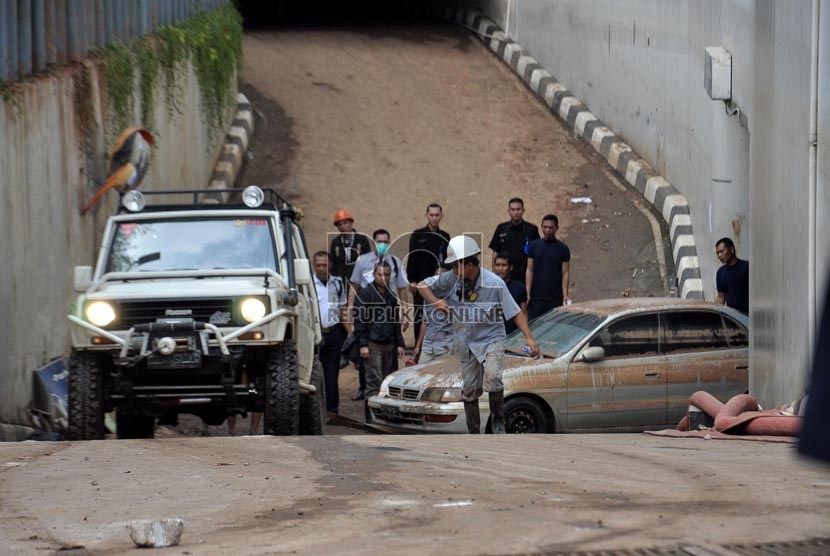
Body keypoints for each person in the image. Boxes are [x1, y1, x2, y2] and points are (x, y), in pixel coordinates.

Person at [417, 235, 540, 434]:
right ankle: (473, 432)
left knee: (492, 378)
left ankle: (498, 425)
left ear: (471, 264)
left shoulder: (495, 283)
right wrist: (436, 302)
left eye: (457, 266)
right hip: (465, 339)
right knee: (470, 389)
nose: (454, 270)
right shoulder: (451, 278)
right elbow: (422, 286)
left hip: (491, 338)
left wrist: (529, 337)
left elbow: (515, 312)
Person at [347, 229, 410, 400]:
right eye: (379, 241)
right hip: (370, 331)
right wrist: (350, 308)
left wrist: (405, 315)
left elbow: (402, 289)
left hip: (387, 337)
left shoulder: (395, 263)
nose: (383, 244)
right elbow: (354, 285)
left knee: (387, 378)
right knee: (371, 378)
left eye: (386, 241)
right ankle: (369, 407)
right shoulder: (363, 262)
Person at [353, 262, 405, 422]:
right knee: (373, 383)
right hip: (372, 345)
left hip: (389, 345)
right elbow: (360, 320)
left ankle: (385, 418)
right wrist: (363, 345)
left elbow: (395, 321)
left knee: (388, 383)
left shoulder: (391, 295)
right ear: (374, 275)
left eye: (387, 275)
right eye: (380, 274)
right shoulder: (365, 293)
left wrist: (400, 343)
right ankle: (371, 419)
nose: (383, 278)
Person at [407, 203, 451, 341]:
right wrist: (412, 280)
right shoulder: (417, 235)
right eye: (431, 215)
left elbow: (448, 260)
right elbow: (412, 258)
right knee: (420, 316)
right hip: (421, 284)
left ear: (441, 216)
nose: (434, 218)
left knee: (439, 314)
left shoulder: (445, 236)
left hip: (440, 284)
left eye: (437, 215)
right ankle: (418, 350)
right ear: (426, 215)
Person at [312, 251, 349, 414]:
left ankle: (332, 411)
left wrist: (350, 333)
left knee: (332, 374)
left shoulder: (338, 283)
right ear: (314, 266)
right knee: (312, 374)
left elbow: (343, 309)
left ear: (331, 265)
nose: (321, 268)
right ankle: (314, 409)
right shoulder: (308, 285)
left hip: (333, 334)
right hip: (314, 335)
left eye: (324, 265)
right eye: (318, 265)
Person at [525, 214, 570, 320]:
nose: (547, 230)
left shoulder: (563, 249)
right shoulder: (533, 246)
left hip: (555, 296)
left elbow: (565, 273)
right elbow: (529, 270)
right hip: (536, 297)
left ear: (556, 228)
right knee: (534, 325)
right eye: (545, 227)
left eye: (551, 227)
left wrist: (565, 295)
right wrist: (527, 293)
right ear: (541, 227)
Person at [488, 197, 540, 283]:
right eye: (513, 209)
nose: (515, 212)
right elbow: (495, 253)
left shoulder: (532, 230)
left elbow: (537, 254)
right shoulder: (501, 229)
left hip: (524, 277)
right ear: (509, 211)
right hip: (504, 278)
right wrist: (495, 276)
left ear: (523, 210)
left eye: (518, 209)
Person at [413, 262, 454, 364]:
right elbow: (425, 323)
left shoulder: (454, 294)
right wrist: (418, 346)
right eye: (436, 275)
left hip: (446, 346)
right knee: (422, 376)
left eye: (441, 277)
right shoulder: (428, 295)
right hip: (428, 346)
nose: (436, 279)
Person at [329, 208, 372, 283]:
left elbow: (368, 262)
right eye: (339, 225)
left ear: (351, 223)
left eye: (345, 223)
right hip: (342, 282)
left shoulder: (362, 240)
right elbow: (333, 266)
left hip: (359, 282)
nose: (342, 226)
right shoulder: (336, 243)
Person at [493, 253, 528, 335]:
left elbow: (524, 312)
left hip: (513, 335)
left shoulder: (520, 288)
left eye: (503, 265)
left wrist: (525, 334)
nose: (500, 268)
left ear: (510, 267)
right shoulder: (488, 286)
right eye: (497, 265)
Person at [715, 237, 749, 314]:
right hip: (734, 318)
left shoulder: (747, 267)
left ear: (732, 250)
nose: (719, 255)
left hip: (750, 317)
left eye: (721, 251)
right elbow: (721, 297)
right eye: (717, 253)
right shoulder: (720, 272)